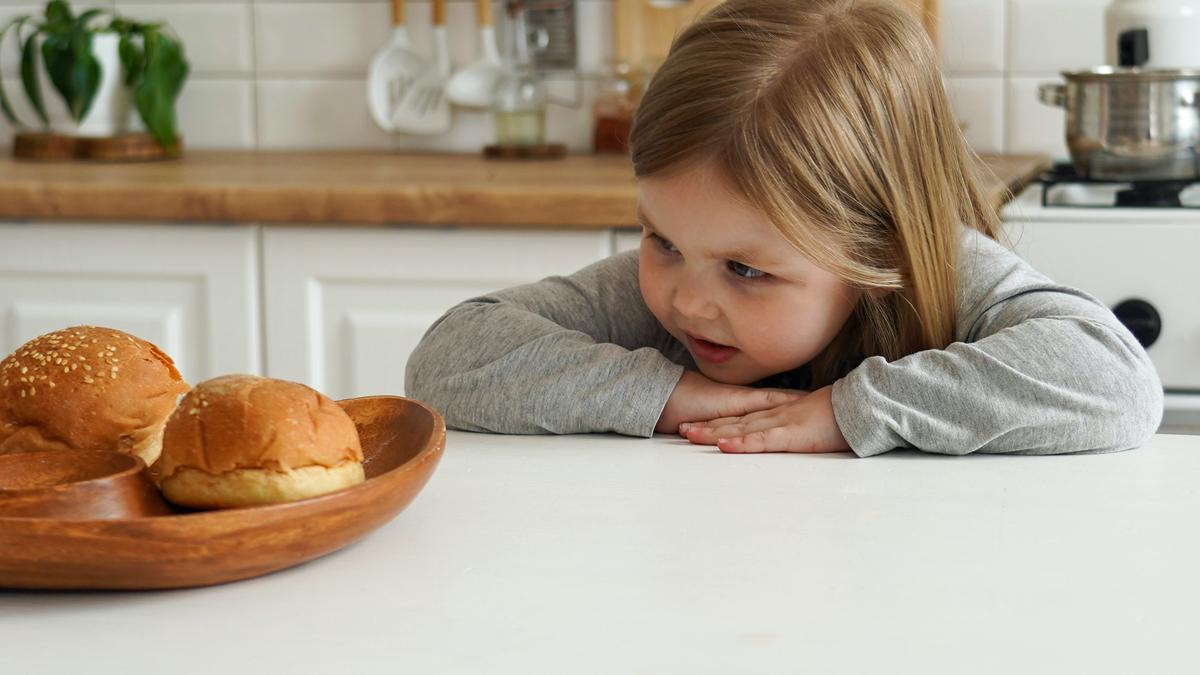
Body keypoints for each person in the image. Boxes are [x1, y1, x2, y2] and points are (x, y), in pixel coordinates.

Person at [405, 0, 1163, 457]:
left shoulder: (946, 277)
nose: (687, 300)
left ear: (879, 245)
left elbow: (1118, 383)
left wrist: (847, 410)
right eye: (659, 239)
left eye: (746, 269)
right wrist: (665, 395)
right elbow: (446, 358)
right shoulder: (659, 300)